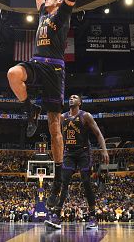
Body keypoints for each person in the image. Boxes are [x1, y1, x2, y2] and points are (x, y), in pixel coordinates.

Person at [7, 0, 80, 207]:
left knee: (54, 127)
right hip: (37, 64)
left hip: (55, 70)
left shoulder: (63, 14)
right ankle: (30, 109)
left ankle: (58, 175)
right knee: (13, 74)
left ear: (58, 2)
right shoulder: (42, 14)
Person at [45, 95, 109, 230]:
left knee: (86, 181)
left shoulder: (86, 116)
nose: (71, 98)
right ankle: (56, 216)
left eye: (75, 97)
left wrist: (104, 150)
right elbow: (56, 136)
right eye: (70, 97)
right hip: (68, 153)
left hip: (83, 152)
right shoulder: (62, 117)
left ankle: (93, 217)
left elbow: (98, 134)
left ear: (80, 102)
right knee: (64, 182)